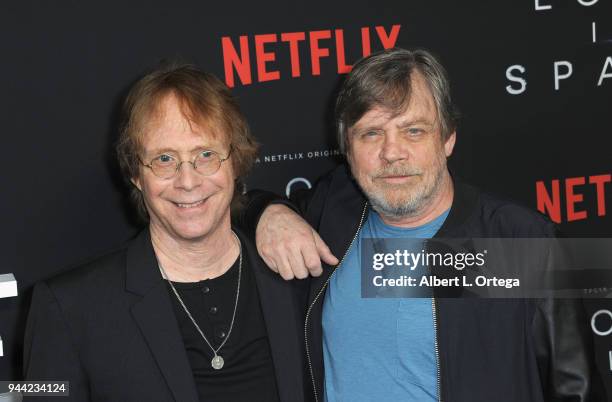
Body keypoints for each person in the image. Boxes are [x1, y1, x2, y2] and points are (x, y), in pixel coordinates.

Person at [249, 48, 605, 401]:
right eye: (371, 133)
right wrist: (269, 212)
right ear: (347, 148)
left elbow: (577, 389)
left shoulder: (522, 241)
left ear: (448, 138)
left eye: (414, 130)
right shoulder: (332, 207)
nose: (392, 152)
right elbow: (225, 207)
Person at [23, 63, 308, 402]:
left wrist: (270, 208)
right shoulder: (68, 308)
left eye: (206, 155)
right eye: (164, 160)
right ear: (135, 174)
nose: (187, 181)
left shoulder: (300, 276)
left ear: (236, 161)